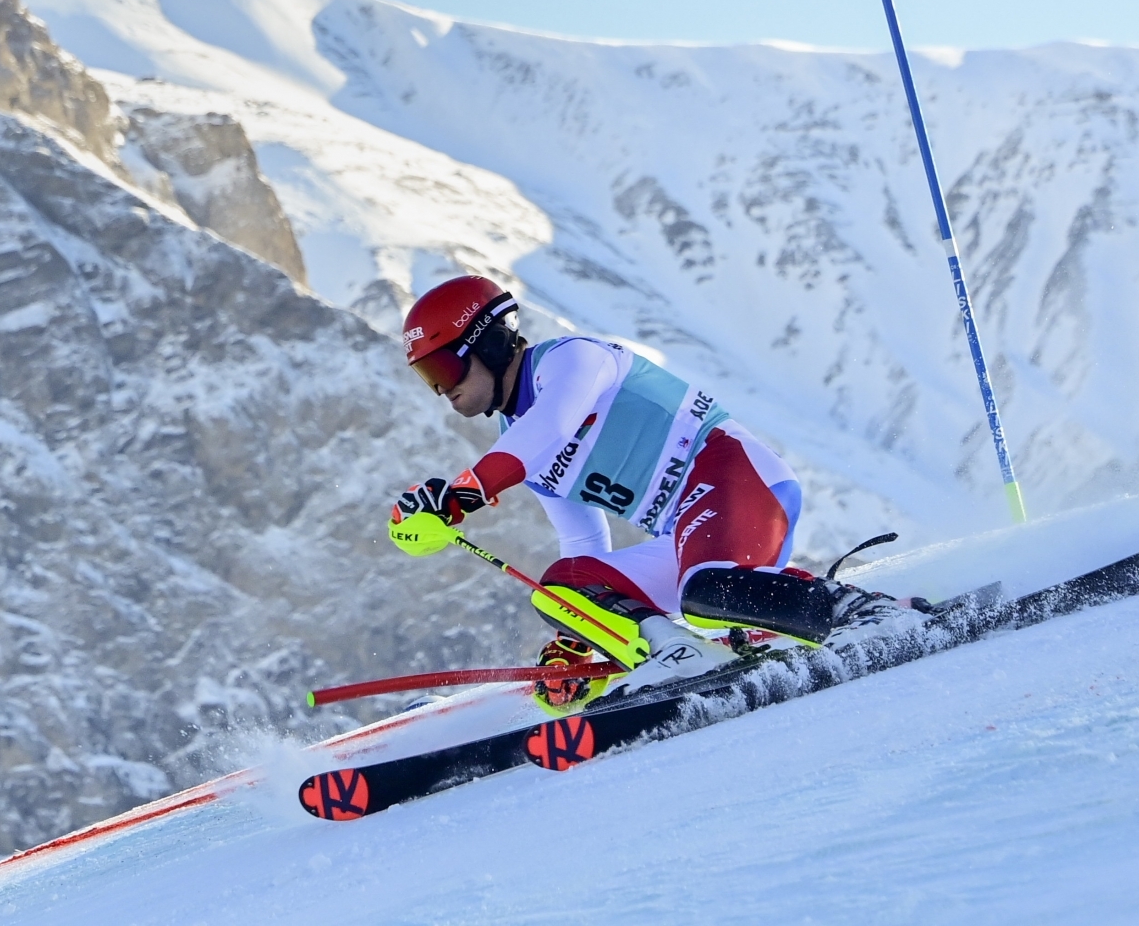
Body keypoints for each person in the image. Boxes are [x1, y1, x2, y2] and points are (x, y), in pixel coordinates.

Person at [387, 274, 924, 709]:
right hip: (688, 531)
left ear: (490, 341)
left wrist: (461, 495)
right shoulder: (517, 442)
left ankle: (864, 613)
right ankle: (677, 655)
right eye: (428, 378)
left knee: (707, 593)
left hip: (741, 480)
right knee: (561, 587)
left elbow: (550, 426)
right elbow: (584, 548)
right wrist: (583, 638)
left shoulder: (571, 360)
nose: (443, 389)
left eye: (445, 366)